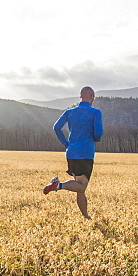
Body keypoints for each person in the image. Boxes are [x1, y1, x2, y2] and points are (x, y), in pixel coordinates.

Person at [44, 86, 103, 218]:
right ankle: (58, 185)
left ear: (80, 96)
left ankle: (86, 216)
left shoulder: (69, 112)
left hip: (71, 152)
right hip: (86, 152)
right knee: (81, 186)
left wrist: (66, 144)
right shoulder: (96, 112)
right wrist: (96, 139)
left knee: (79, 187)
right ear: (92, 97)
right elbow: (98, 133)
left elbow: (56, 128)